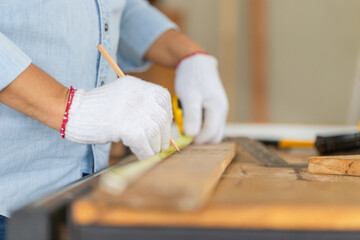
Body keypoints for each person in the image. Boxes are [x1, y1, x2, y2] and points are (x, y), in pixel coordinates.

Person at [0, 1, 228, 239]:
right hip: (10, 205)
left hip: (87, 193)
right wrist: (67, 106)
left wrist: (187, 54)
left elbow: (114, 8)